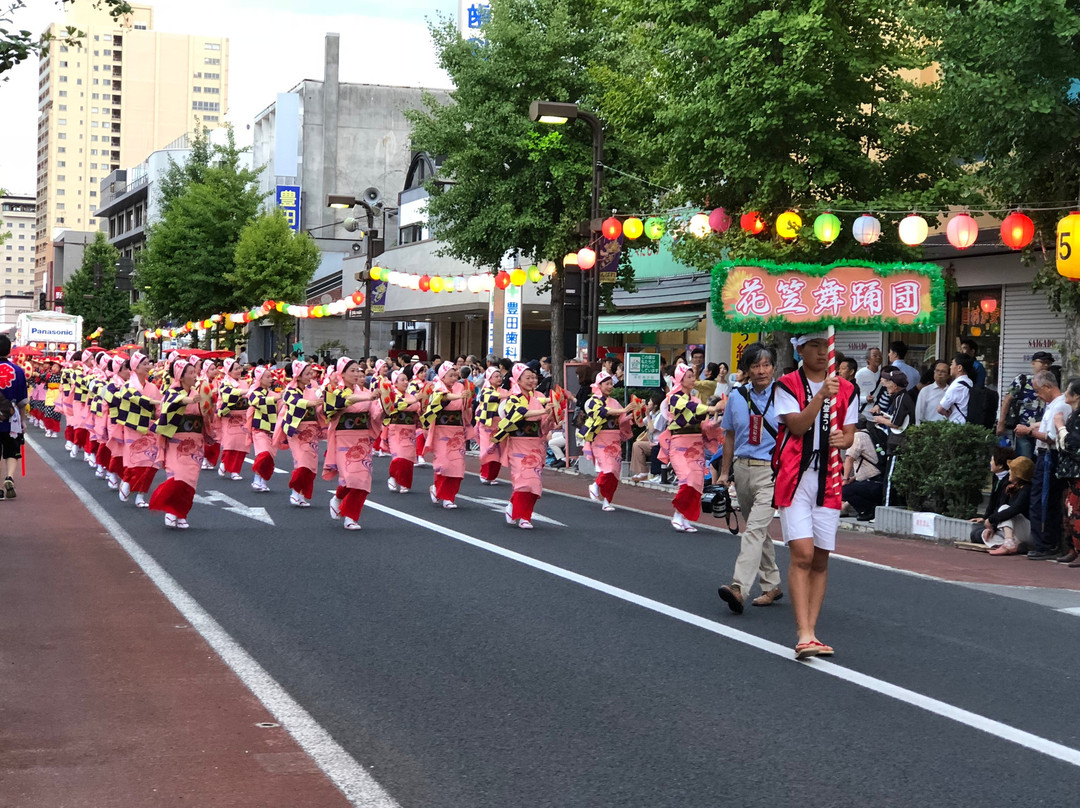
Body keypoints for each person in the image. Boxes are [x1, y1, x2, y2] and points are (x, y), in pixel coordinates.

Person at [773, 332, 858, 659]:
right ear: (799, 350)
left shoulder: (847, 389)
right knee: (803, 554)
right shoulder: (787, 385)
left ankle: (812, 631)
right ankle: (803, 633)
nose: (823, 353)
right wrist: (821, 395)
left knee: (821, 557)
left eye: (826, 346)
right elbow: (796, 426)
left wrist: (843, 441)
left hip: (830, 479)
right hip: (796, 478)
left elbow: (850, 434)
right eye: (814, 346)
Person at [716, 342, 783, 613]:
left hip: (771, 472)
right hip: (742, 469)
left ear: (774, 367)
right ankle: (772, 584)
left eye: (766, 365)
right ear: (747, 369)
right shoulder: (736, 396)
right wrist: (724, 472)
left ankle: (738, 588)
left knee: (753, 531)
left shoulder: (784, 395)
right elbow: (729, 435)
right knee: (759, 530)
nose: (761, 370)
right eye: (755, 365)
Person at [657, 364, 723, 532]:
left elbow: (702, 424)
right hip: (679, 443)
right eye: (689, 377)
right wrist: (712, 408)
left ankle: (684, 516)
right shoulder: (673, 398)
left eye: (694, 376)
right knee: (687, 479)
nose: (693, 380)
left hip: (696, 444)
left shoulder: (696, 400)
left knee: (697, 481)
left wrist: (714, 424)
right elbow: (689, 409)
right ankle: (678, 515)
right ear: (680, 379)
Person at [493, 363, 557, 529]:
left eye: (534, 377)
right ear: (518, 380)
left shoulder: (537, 399)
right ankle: (522, 516)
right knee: (524, 480)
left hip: (535, 445)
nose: (532, 380)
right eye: (528, 378)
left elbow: (543, 427)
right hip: (518, 444)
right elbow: (519, 414)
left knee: (534, 481)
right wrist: (543, 412)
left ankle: (521, 512)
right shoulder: (512, 399)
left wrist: (550, 418)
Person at [147, 359, 208, 529]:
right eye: (190, 373)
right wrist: (190, 400)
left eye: (194, 372)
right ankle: (170, 510)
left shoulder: (198, 392)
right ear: (180, 377)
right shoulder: (172, 392)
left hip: (195, 441)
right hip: (176, 441)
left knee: (190, 480)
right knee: (178, 476)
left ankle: (181, 513)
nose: (194, 375)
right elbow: (176, 402)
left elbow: (207, 416)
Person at [324, 357, 382, 530]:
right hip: (343, 437)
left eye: (359, 371)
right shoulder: (334, 391)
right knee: (350, 476)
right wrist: (367, 397)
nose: (357, 374)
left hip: (362, 438)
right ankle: (337, 498)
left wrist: (386, 406)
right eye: (353, 371)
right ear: (341, 374)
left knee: (363, 478)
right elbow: (335, 406)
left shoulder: (366, 393)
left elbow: (376, 415)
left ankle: (350, 516)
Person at [1025, 371, 1071, 560]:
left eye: (1037, 390)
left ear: (1047, 387)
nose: (1037, 395)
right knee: (1045, 499)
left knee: (1042, 500)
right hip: (1046, 456)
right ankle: (1046, 542)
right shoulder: (1055, 404)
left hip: (1049, 456)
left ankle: (1046, 543)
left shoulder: (1059, 405)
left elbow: (1051, 438)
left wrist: (1029, 432)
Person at [581, 370, 638, 512]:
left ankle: (607, 500)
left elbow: (620, 419)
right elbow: (602, 412)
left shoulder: (615, 402)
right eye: (607, 383)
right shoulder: (592, 401)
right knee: (608, 467)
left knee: (615, 472)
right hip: (600, 438)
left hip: (614, 439)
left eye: (611, 383)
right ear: (599, 385)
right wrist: (623, 410)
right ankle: (595, 485)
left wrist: (630, 416)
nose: (610, 386)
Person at [423, 360, 474, 509]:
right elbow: (442, 398)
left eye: (455, 375)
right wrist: (460, 397)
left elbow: (466, 410)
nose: (454, 378)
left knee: (457, 464)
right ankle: (438, 489)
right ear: (442, 376)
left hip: (457, 430)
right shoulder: (437, 387)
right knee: (444, 463)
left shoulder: (460, 387)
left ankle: (448, 497)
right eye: (450, 375)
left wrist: (467, 402)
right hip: (441, 429)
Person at [116, 353, 163, 509]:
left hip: (150, 428)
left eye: (149, 363)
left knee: (150, 463)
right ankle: (128, 479)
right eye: (145, 364)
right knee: (136, 460)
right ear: (135, 367)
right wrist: (153, 402)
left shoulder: (153, 387)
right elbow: (136, 399)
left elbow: (159, 409)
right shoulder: (127, 386)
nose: (149, 366)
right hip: (133, 427)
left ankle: (141, 494)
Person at [277, 359, 325, 508]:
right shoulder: (290, 391)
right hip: (297, 432)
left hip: (312, 430)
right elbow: (295, 402)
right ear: (298, 375)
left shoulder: (313, 390)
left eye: (311, 372)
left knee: (311, 466)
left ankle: (300, 493)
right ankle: (295, 490)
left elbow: (322, 404)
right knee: (302, 463)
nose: (311, 375)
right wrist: (312, 403)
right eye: (307, 373)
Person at [997, 351, 1053, 460]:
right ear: (1033, 363)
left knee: (1039, 461)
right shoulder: (1022, 380)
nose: (1045, 365)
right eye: (1042, 362)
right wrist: (1001, 422)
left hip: (1042, 429)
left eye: (1048, 363)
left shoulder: (1052, 384)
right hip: (1022, 427)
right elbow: (1007, 400)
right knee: (1024, 460)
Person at [980, 456, 1034, 555]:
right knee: (983, 534)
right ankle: (1017, 546)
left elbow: (1013, 510)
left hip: (1029, 530)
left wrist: (991, 520)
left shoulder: (1027, 489)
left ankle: (1009, 543)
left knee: (1005, 508)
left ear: (1018, 475)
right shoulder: (1013, 488)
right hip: (1019, 531)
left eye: (1011, 470)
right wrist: (993, 527)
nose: (1009, 472)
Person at [1055, 378, 1080, 566]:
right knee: (1068, 512)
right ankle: (1072, 548)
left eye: (1068, 391)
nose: (1064, 394)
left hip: (1077, 472)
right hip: (1070, 472)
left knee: (1076, 512)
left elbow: (1073, 444)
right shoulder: (1074, 414)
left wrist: (1060, 426)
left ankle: (1078, 550)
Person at [968, 444, 1017, 540]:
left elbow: (1002, 504)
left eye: (992, 460)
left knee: (978, 536)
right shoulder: (996, 477)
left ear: (1000, 466)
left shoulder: (1008, 481)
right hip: (994, 519)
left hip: (1002, 521)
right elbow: (992, 501)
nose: (990, 463)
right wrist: (985, 518)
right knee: (974, 534)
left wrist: (992, 525)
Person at [384, 369, 421, 494]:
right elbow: (397, 406)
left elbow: (418, 409)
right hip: (396, 429)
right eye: (402, 380)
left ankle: (403, 482)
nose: (406, 382)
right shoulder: (392, 396)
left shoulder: (411, 395)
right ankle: (393, 476)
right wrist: (416, 400)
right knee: (399, 456)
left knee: (408, 458)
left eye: (406, 380)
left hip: (410, 430)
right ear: (395, 383)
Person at [0, 335, 28, 499]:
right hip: (11, 419)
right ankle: (9, 477)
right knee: (11, 451)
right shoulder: (18, 371)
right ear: (9, 350)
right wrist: (22, 422)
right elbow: (23, 402)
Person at [215, 358, 251, 481]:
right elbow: (228, 395)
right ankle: (225, 463)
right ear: (228, 371)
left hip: (243, 416)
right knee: (230, 443)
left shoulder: (245, 383)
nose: (239, 370)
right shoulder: (225, 383)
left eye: (239, 368)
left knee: (242, 445)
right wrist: (245, 392)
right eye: (236, 369)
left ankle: (235, 470)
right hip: (229, 416)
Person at [246, 366, 281, 493]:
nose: (271, 379)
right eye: (267, 377)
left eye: (271, 376)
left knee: (270, 458)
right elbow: (256, 401)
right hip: (259, 428)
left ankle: (263, 480)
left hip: (273, 430)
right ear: (259, 379)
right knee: (264, 454)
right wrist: (275, 398)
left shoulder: (273, 394)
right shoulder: (254, 392)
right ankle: (256, 478)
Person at [475, 366, 508, 484]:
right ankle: (484, 474)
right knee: (488, 449)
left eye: (500, 376)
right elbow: (491, 397)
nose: (499, 378)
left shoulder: (503, 391)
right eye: (496, 376)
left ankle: (492, 476)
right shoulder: (486, 390)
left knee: (499, 449)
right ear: (489, 378)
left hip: (500, 423)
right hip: (487, 424)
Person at [630, 391, 665, 481]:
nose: (648, 403)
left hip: (658, 443)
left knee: (637, 445)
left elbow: (652, 429)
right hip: (651, 442)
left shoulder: (661, 415)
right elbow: (640, 424)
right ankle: (640, 471)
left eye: (650, 401)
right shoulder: (651, 414)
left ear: (656, 405)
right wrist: (638, 411)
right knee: (636, 444)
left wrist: (648, 416)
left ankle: (643, 472)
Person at [937, 353, 975, 423]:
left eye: (952, 364)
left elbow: (940, 409)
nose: (950, 367)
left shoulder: (956, 386)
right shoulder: (969, 382)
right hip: (967, 423)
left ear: (959, 368)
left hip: (957, 425)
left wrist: (947, 414)